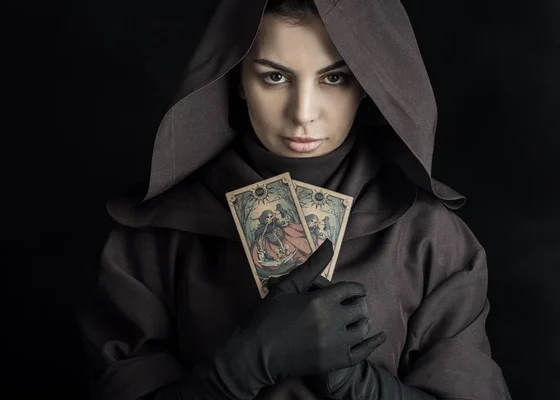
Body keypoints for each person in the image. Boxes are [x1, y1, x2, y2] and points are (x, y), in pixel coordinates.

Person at [79, 0, 512, 399]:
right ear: (239, 79)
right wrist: (237, 370)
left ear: (365, 84)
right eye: (275, 76)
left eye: (334, 77)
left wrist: (363, 387)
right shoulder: (155, 235)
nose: (303, 112)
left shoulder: (433, 240)